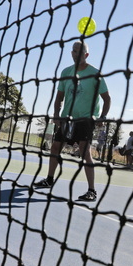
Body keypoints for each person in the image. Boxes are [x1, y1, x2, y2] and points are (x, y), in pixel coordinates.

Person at [33, 40, 111, 202]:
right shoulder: (65, 72)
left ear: (86, 55)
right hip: (66, 119)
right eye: (74, 51)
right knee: (55, 147)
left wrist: (102, 117)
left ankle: (92, 190)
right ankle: (49, 179)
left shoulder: (95, 74)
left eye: (80, 52)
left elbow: (107, 99)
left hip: (85, 120)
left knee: (84, 152)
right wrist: (56, 114)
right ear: (71, 53)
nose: (76, 54)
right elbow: (59, 97)